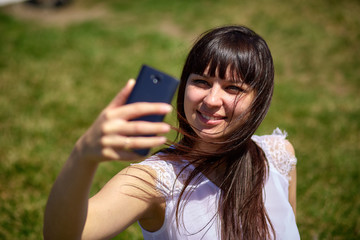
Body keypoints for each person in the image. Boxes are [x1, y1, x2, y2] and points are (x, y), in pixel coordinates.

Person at [43, 25, 300, 240]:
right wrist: (82, 156)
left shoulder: (278, 157)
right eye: (201, 82)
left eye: (232, 88)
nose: (211, 100)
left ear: (260, 99)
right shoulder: (155, 181)